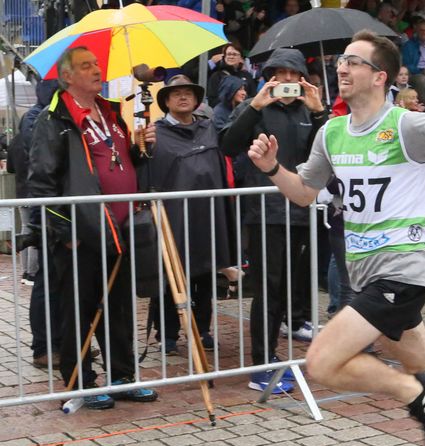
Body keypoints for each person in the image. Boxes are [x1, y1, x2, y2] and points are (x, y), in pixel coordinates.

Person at [247, 30, 425, 446]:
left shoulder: (408, 126)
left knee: (322, 361)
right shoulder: (332, 133)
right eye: (341, 62)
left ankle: (411, 393)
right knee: (424, 359)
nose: (342, 68)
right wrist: (272, 169)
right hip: (364, 274)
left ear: (379, 76)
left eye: (353, 61)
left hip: (403, 268)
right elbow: (305, 194)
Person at [27, 47, 159, 409]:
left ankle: (122, 377)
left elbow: (118, 164)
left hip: (121, 228)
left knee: (118, 307)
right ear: (67, 76)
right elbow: (41, 183)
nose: (96, 70)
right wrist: (62, 233)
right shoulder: (53, 120)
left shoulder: (112, 112)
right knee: (79, 309)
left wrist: (140, 149)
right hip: (81, 233)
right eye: (86, 66)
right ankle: (79, 381)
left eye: (97, 64)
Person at [220, 48, 327, 393]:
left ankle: (273, 358)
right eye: (278, 73)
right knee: (267, 288)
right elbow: (229, 144)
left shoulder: (306, 111)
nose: (286, 80)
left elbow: (326, 153)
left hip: (300, 209)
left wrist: (320, 112)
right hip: (264, 211)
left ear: (301, 78)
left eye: (292, 74)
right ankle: (261, 365)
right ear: (269, 77)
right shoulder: (253, 107)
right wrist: (254, 107)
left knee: (286, 290)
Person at [142, 75, 234, 354]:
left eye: (188, 93)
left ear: (196, 100)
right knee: (171, 274)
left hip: (207, 213)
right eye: (176, 93)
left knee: (205, 272)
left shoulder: (209, 128)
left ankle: (202, 328)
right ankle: (167, 332)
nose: (183, 97)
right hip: (173, 216)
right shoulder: (155, 132)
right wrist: (142, 147)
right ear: (166, 101)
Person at [6, 79, 60, 368]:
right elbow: (41, 164)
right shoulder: (38, 117)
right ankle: (44, 347)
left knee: (61, 282)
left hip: (57, 207)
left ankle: (64, 342)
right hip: (45, 207)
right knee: (46, 279)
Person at [206, 43, 256, 108]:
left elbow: (253, 97)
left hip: (243, 112)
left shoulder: (247, 75)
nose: (231, 57)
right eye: (228, 54)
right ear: (224, 57)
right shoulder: (217, 76)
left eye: (235, 54)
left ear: (241, 58)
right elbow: (212, 100)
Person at [401, 19, 425, 103]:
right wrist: (421, 70)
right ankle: (421, 107)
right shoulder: (408, 45)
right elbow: (406, 64)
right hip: (414, 74)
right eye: (421, 30)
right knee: (422, 80)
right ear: (417, 31)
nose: (424, 33)